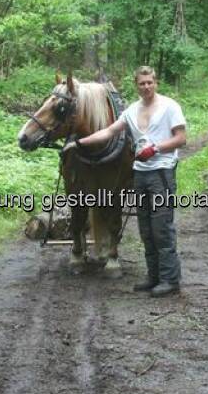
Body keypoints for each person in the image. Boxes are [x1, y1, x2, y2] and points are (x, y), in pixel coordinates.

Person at [65, 66, 187, 297]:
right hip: (140, 173)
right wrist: (80, 143)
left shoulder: (170, 106)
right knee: (146, 228)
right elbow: (109, 132)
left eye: (150, 82)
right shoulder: (132, 110)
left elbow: (181, 138)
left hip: (161, 172)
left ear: (156, 82)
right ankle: (153, 277)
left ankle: (170, 279)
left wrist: (156, 148)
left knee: (162, 228)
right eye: (142, 83)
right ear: (137, 86)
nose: (146, 86)